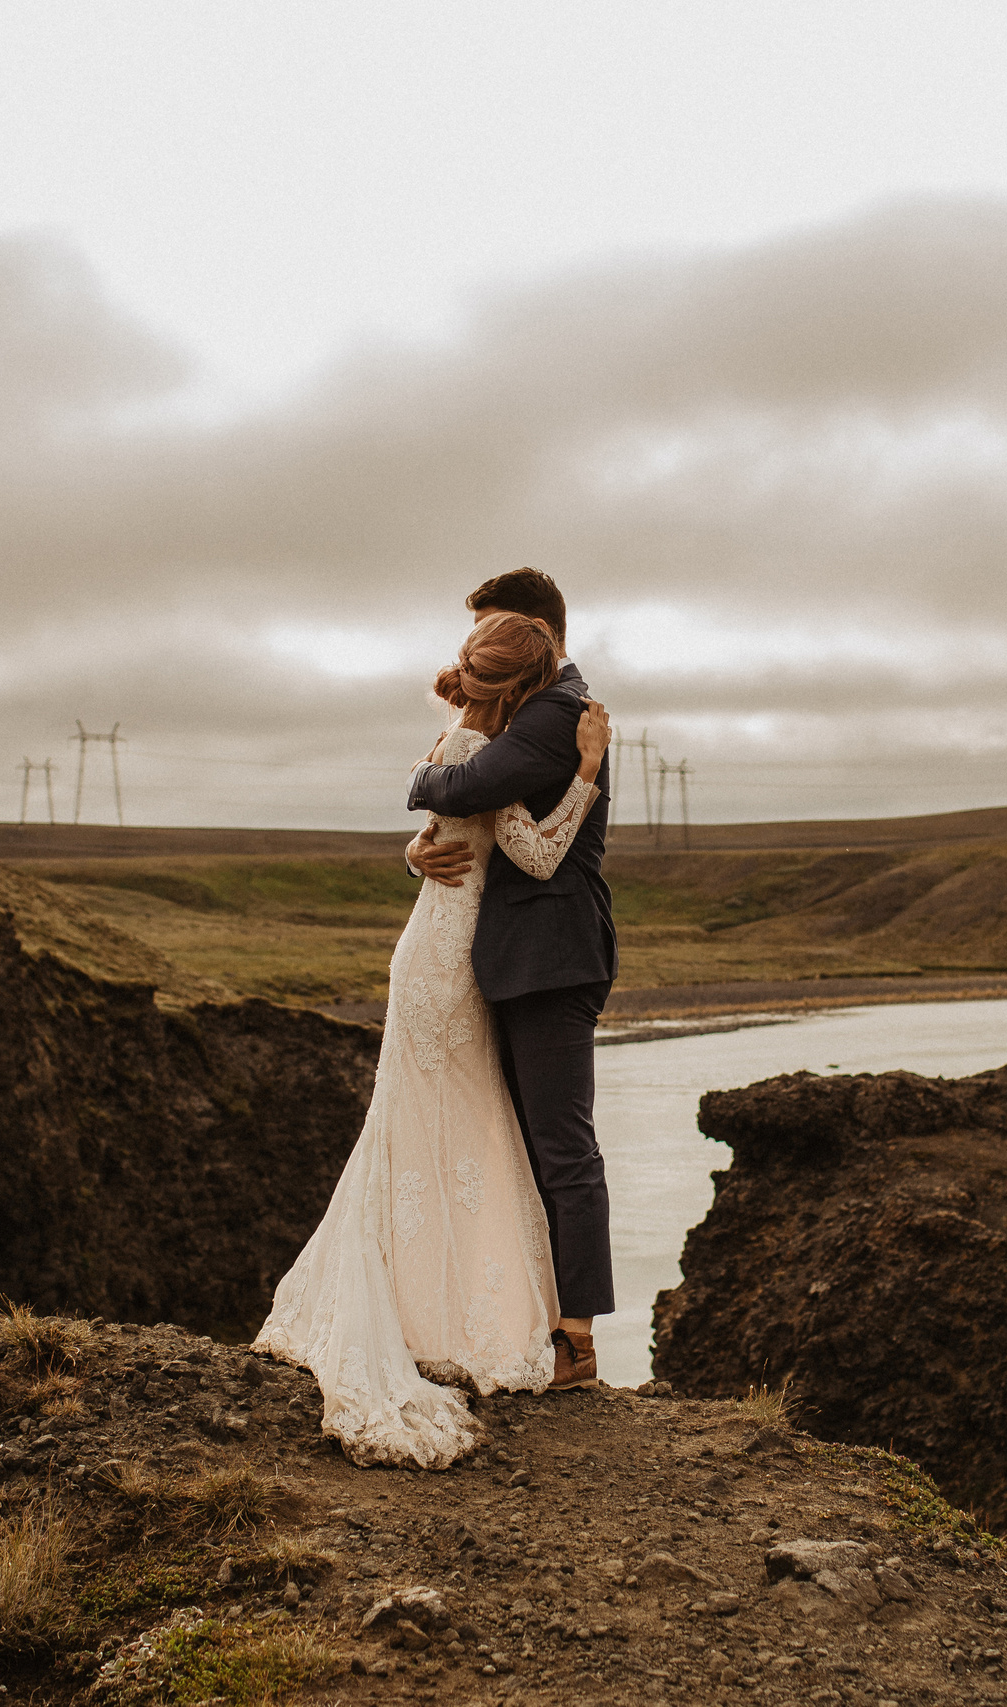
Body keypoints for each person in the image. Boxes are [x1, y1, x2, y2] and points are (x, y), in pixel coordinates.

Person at [255, 603, 613, 1468]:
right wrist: (587, 773)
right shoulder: (489, 754)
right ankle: (467, 1315)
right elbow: (534, 854)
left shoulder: (461, 745)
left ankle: (425, 1309)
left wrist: (415, 852)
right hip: (454, 967)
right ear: (520, 686)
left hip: (436, 955)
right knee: (462, 1128)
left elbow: (436, 825)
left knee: (424, 1130)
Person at [404, 569, 617, 1392]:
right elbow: (468, 823)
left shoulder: (557, 713)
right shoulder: (526, 711)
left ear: (537, 636)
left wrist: (418, 779)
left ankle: (577, 1339)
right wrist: (417, 849)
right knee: (520, 1144)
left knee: (562, 1147)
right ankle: (527, 1319)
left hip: (550, 957)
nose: (476, 654)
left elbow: (472, 791)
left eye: (491, 634)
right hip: (506, 958)